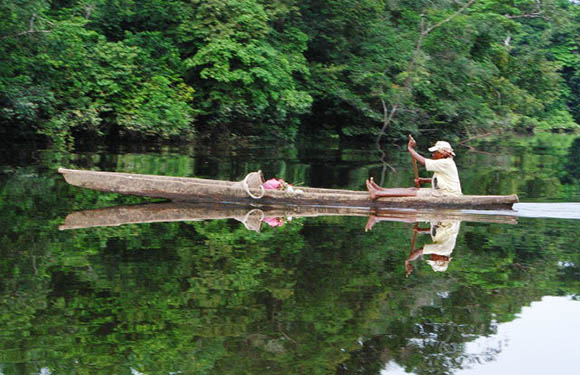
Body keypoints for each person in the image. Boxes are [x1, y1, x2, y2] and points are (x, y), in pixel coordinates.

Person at [367, 137, 462, 199]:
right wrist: (424, 180)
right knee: (413, 189)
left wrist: (411, 149)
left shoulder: (445, 163)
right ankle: (381, 190)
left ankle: (377, 194)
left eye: (436, 152)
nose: (433, 154)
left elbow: (423, 162)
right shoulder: (445, 162)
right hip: (444, 192)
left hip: (448, 195)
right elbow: (442, 180)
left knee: (413, 193)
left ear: (442, 153)